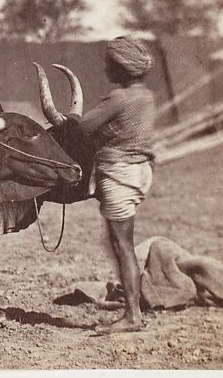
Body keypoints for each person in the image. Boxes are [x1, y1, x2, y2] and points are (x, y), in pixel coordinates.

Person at [69, 36, 156, 334]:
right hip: (140, 171)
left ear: (119, 68)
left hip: (120, 172)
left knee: (122, 245)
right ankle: (134, 306)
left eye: (109, 63)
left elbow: (81, 128)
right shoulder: (146, 96)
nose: (105, 67)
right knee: (118, 242)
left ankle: (133, 315)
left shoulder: (118, 97)